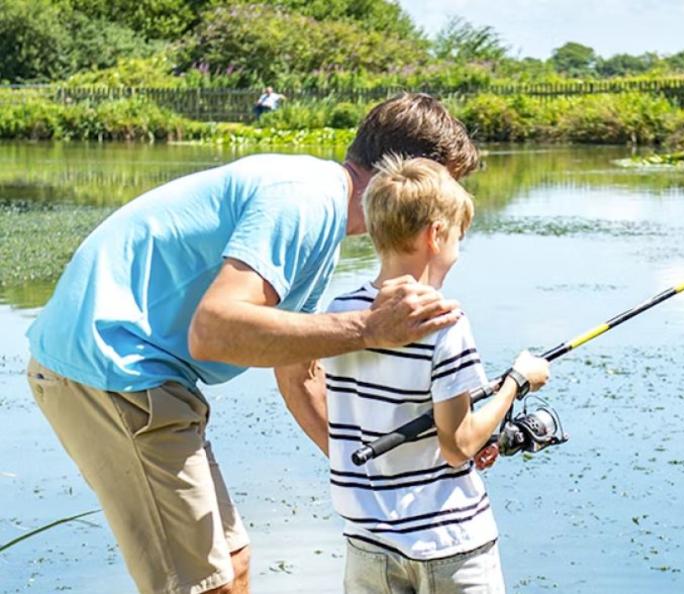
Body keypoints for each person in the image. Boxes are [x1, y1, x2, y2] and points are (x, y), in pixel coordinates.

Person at [24, 93, 480, 594]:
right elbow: (214, 329)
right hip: (112, 369)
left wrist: (380, 468)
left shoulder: (320, 215)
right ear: (406, 178)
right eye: (448, 190)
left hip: (141, 373)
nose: (452, 218)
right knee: (202, 585)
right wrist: (371, 329)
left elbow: (297, 373)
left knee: (233, 563)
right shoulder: (304, 200)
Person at [321, 156, 550, 593]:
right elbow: (458, 445)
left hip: (368, 542)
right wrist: (517, 382)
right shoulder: (444, 322)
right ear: (436, 234)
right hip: (450, 543)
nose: (458, 251)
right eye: (459, 237)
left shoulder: (341, 314)